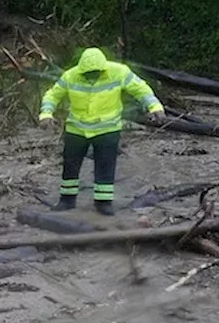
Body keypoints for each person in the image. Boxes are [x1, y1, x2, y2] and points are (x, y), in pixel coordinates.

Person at [39, 47, 166, 215]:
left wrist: (154, 107)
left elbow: (141, 89)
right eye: (87, 73)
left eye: (95, 73)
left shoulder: (119, 72)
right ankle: (67, 200)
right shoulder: (71, 75)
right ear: (81, 69)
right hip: (77, 128)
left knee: (105, 165)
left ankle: (103, 203)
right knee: (70, 165)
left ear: (103, 68)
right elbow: (52, 95)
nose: (91, 76)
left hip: (107, 128)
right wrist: (46, 114)